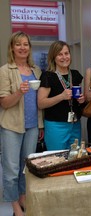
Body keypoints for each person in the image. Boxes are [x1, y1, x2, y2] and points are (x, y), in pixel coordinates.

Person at [0, 31, 43, 216]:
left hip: (32, 126)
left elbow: (39, 103)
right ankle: (14, 205)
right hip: (11, 126)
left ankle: (23, 196)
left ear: (29, 48)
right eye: (18, 44)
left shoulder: (36, 70)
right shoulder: (5, 70)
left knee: (27, 167)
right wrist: (19, 92)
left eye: (26, 44)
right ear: (12, 48)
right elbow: (4, 103)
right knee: (11, 169)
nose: (22, 47)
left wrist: (40, 125)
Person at [38, 40, 85, 150]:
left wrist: (82, 100)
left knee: (74, 158)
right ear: (53, 57)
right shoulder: (48, 76)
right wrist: (61, 97)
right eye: (60, 54)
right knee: (57, 160)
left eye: (66, 53)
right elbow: (41, 103)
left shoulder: (75, 74)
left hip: (75, 124)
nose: (64, 57)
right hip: (56, 126)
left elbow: (78, 100)